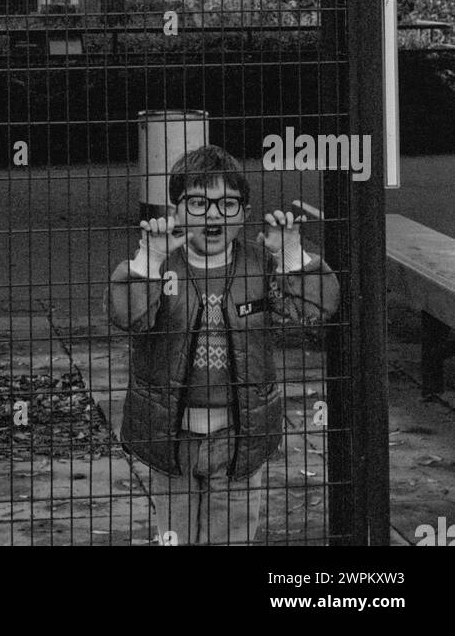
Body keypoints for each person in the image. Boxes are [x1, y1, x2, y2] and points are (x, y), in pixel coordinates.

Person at [109, 145, 339, 547]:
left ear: (245, 213)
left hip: (240, 434)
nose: (213, 215)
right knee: (175, 535)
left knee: (232, 534)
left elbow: (314, 310)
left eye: (227, 204)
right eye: (198, 203)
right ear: (175, 211)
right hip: (172, 434)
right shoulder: (162, 264)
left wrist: (290, 253)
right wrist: (148, 259)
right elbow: (129, 318)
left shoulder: (259, 265)